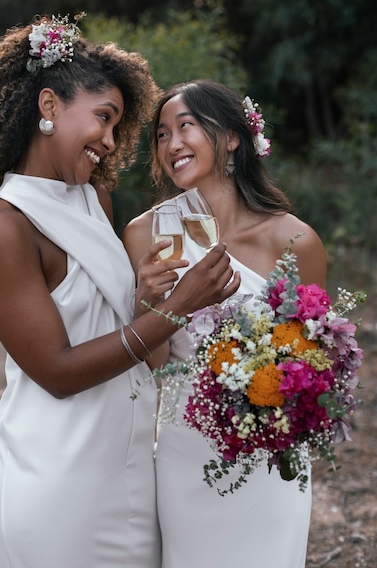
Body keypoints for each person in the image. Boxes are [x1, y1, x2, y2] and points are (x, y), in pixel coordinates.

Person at [0, 19, 241, 568]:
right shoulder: (3, 225)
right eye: (105, 119)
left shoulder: (94, 199)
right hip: (56, 477)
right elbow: (58, 371)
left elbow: (117, 323)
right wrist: (176, 307)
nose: (111, 143)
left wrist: (148, 296)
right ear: (48, 106)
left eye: (116, 126)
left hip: (131, 467)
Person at [123, 79, 327, 568]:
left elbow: (312, 364)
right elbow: (149, 364)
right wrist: (148, 299)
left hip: (270, 454)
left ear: (233, 137)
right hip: (185, 451)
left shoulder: (294, 240)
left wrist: (266, 398)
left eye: (186, 126)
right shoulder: (145, 233)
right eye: (161, 134)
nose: (172, 144)